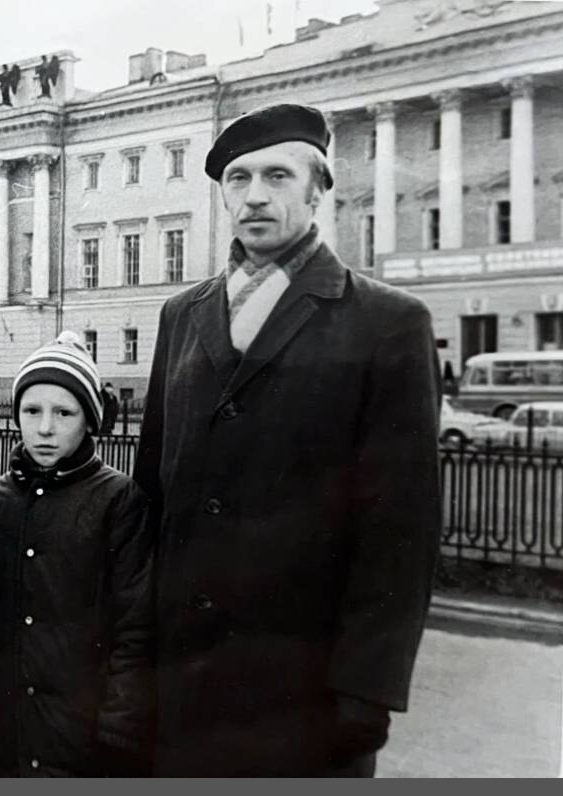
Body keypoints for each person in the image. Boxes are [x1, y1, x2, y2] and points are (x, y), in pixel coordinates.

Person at [133, 103, 442, 777]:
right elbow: (152, 491)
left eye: (277, 175)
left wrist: (366, 690)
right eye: (238, 178)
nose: (255, 195)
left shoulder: (387, 322)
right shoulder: (181, 315)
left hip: (307, 695)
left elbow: (402, 528)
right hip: (182, 682)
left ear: (318, 189)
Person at [0, 332, 153, 777]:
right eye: (31, 411)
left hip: (82, 736)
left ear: (89, 420)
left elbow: (135, 623)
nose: (45, 428)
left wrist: (119, 726)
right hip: (8, 737)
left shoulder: (117, 500)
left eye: (64, 413)